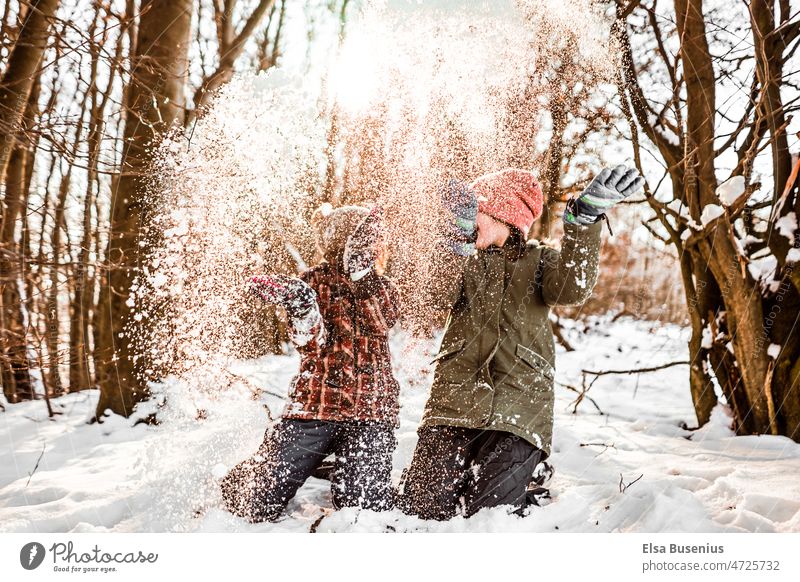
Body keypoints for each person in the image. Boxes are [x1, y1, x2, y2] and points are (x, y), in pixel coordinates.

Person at [400, 165, 644, 520]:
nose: (468, 218)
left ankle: (528, 484)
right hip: (453, 403)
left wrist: (584, 222)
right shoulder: (464, 261)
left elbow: (572, 288)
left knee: (488, 514)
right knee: (422, 510)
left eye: (475, 210)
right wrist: (455, 239)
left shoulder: (540, 260)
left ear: (501, 214)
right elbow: (431, 298)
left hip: (518, 406)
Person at [220, 204, 401, 522]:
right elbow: (310, 345)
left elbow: (383, 320)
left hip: (370, 412)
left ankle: (336, 464)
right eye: (370, 241)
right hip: (315, 407)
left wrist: (362, 277)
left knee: (362, 508)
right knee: (255, 500)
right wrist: (302, 307)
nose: (377, 248)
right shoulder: (312, 282)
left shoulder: (381, 287)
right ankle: (302, 462)